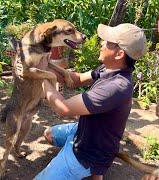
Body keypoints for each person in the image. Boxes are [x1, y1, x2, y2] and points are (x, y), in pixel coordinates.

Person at [35, 23, 147, 180]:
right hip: (87, 130)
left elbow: (63, 108)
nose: (102, 43)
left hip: (88, 152)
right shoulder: (108, 69)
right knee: (49, 134)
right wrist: (47, 65)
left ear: (119, 54)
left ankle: (92, 167)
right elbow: (77, 79)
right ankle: (95, 171)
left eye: (108, 42)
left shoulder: (116, 87)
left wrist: (41, 75)